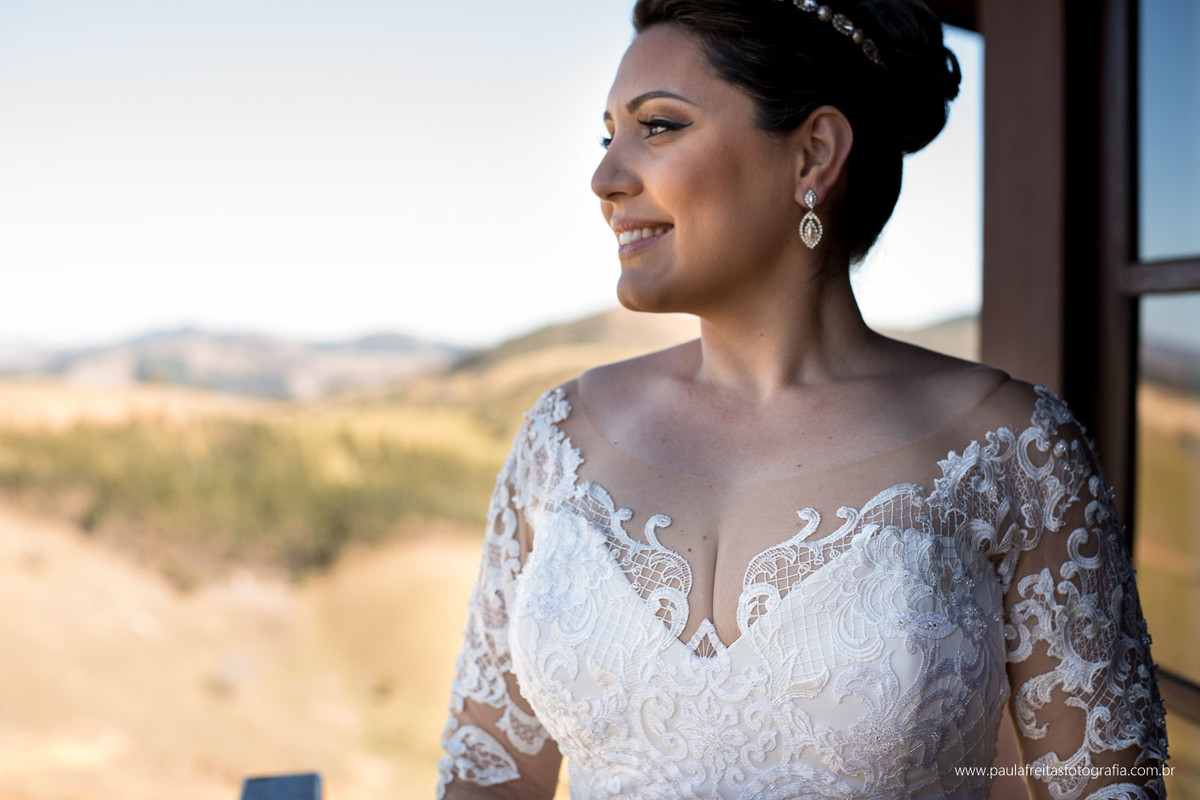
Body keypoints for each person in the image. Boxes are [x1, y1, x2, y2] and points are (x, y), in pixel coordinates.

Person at [436, 0, 1169, 797]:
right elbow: (485, 774)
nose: (605, 178)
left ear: (814, 154)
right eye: (607, 133)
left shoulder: (1015, 450)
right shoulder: (561, 439)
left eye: (657, 126)